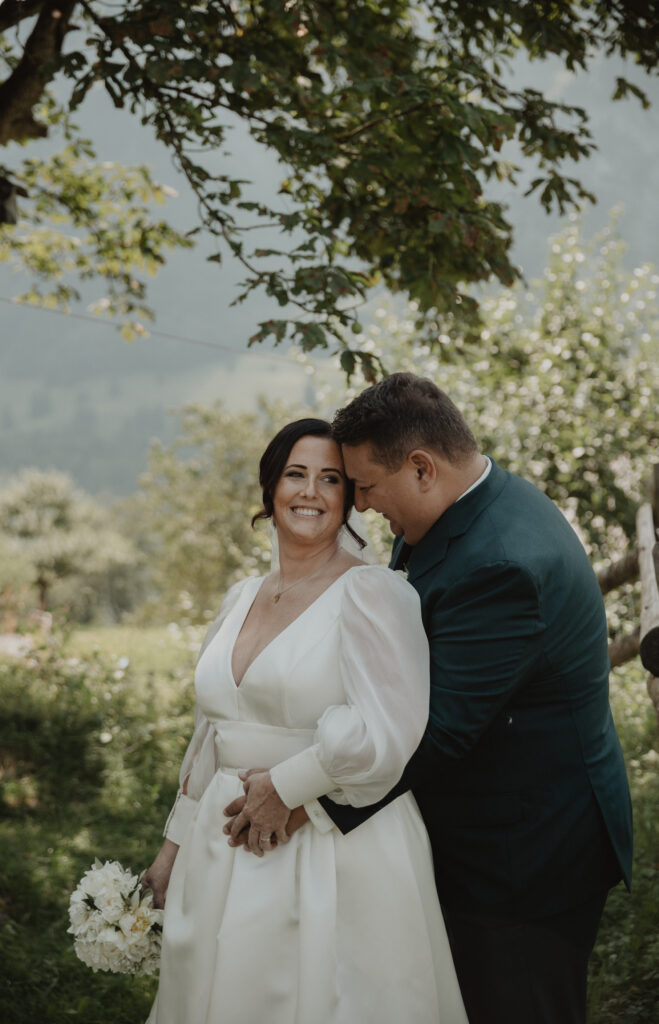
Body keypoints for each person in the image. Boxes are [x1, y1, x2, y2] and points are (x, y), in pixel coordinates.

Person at [226, 374, 633, 1024]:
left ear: (420, 467)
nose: (357, 504)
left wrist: (295, 791)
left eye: (364, 485)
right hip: (495, 826)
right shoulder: (469, 506)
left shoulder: (500, 563)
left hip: (522, 855)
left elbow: (440, 730)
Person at [142, 417, 468, 1024]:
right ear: (270, 489)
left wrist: (288, 784)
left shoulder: (374, 594)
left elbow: (389, 730)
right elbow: (210, 735)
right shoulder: (239, 597)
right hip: (222, 847)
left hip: (329, 847)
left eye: (330, 479)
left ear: (349, 499)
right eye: (296, 475)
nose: (311, 493)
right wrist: (170, 852)